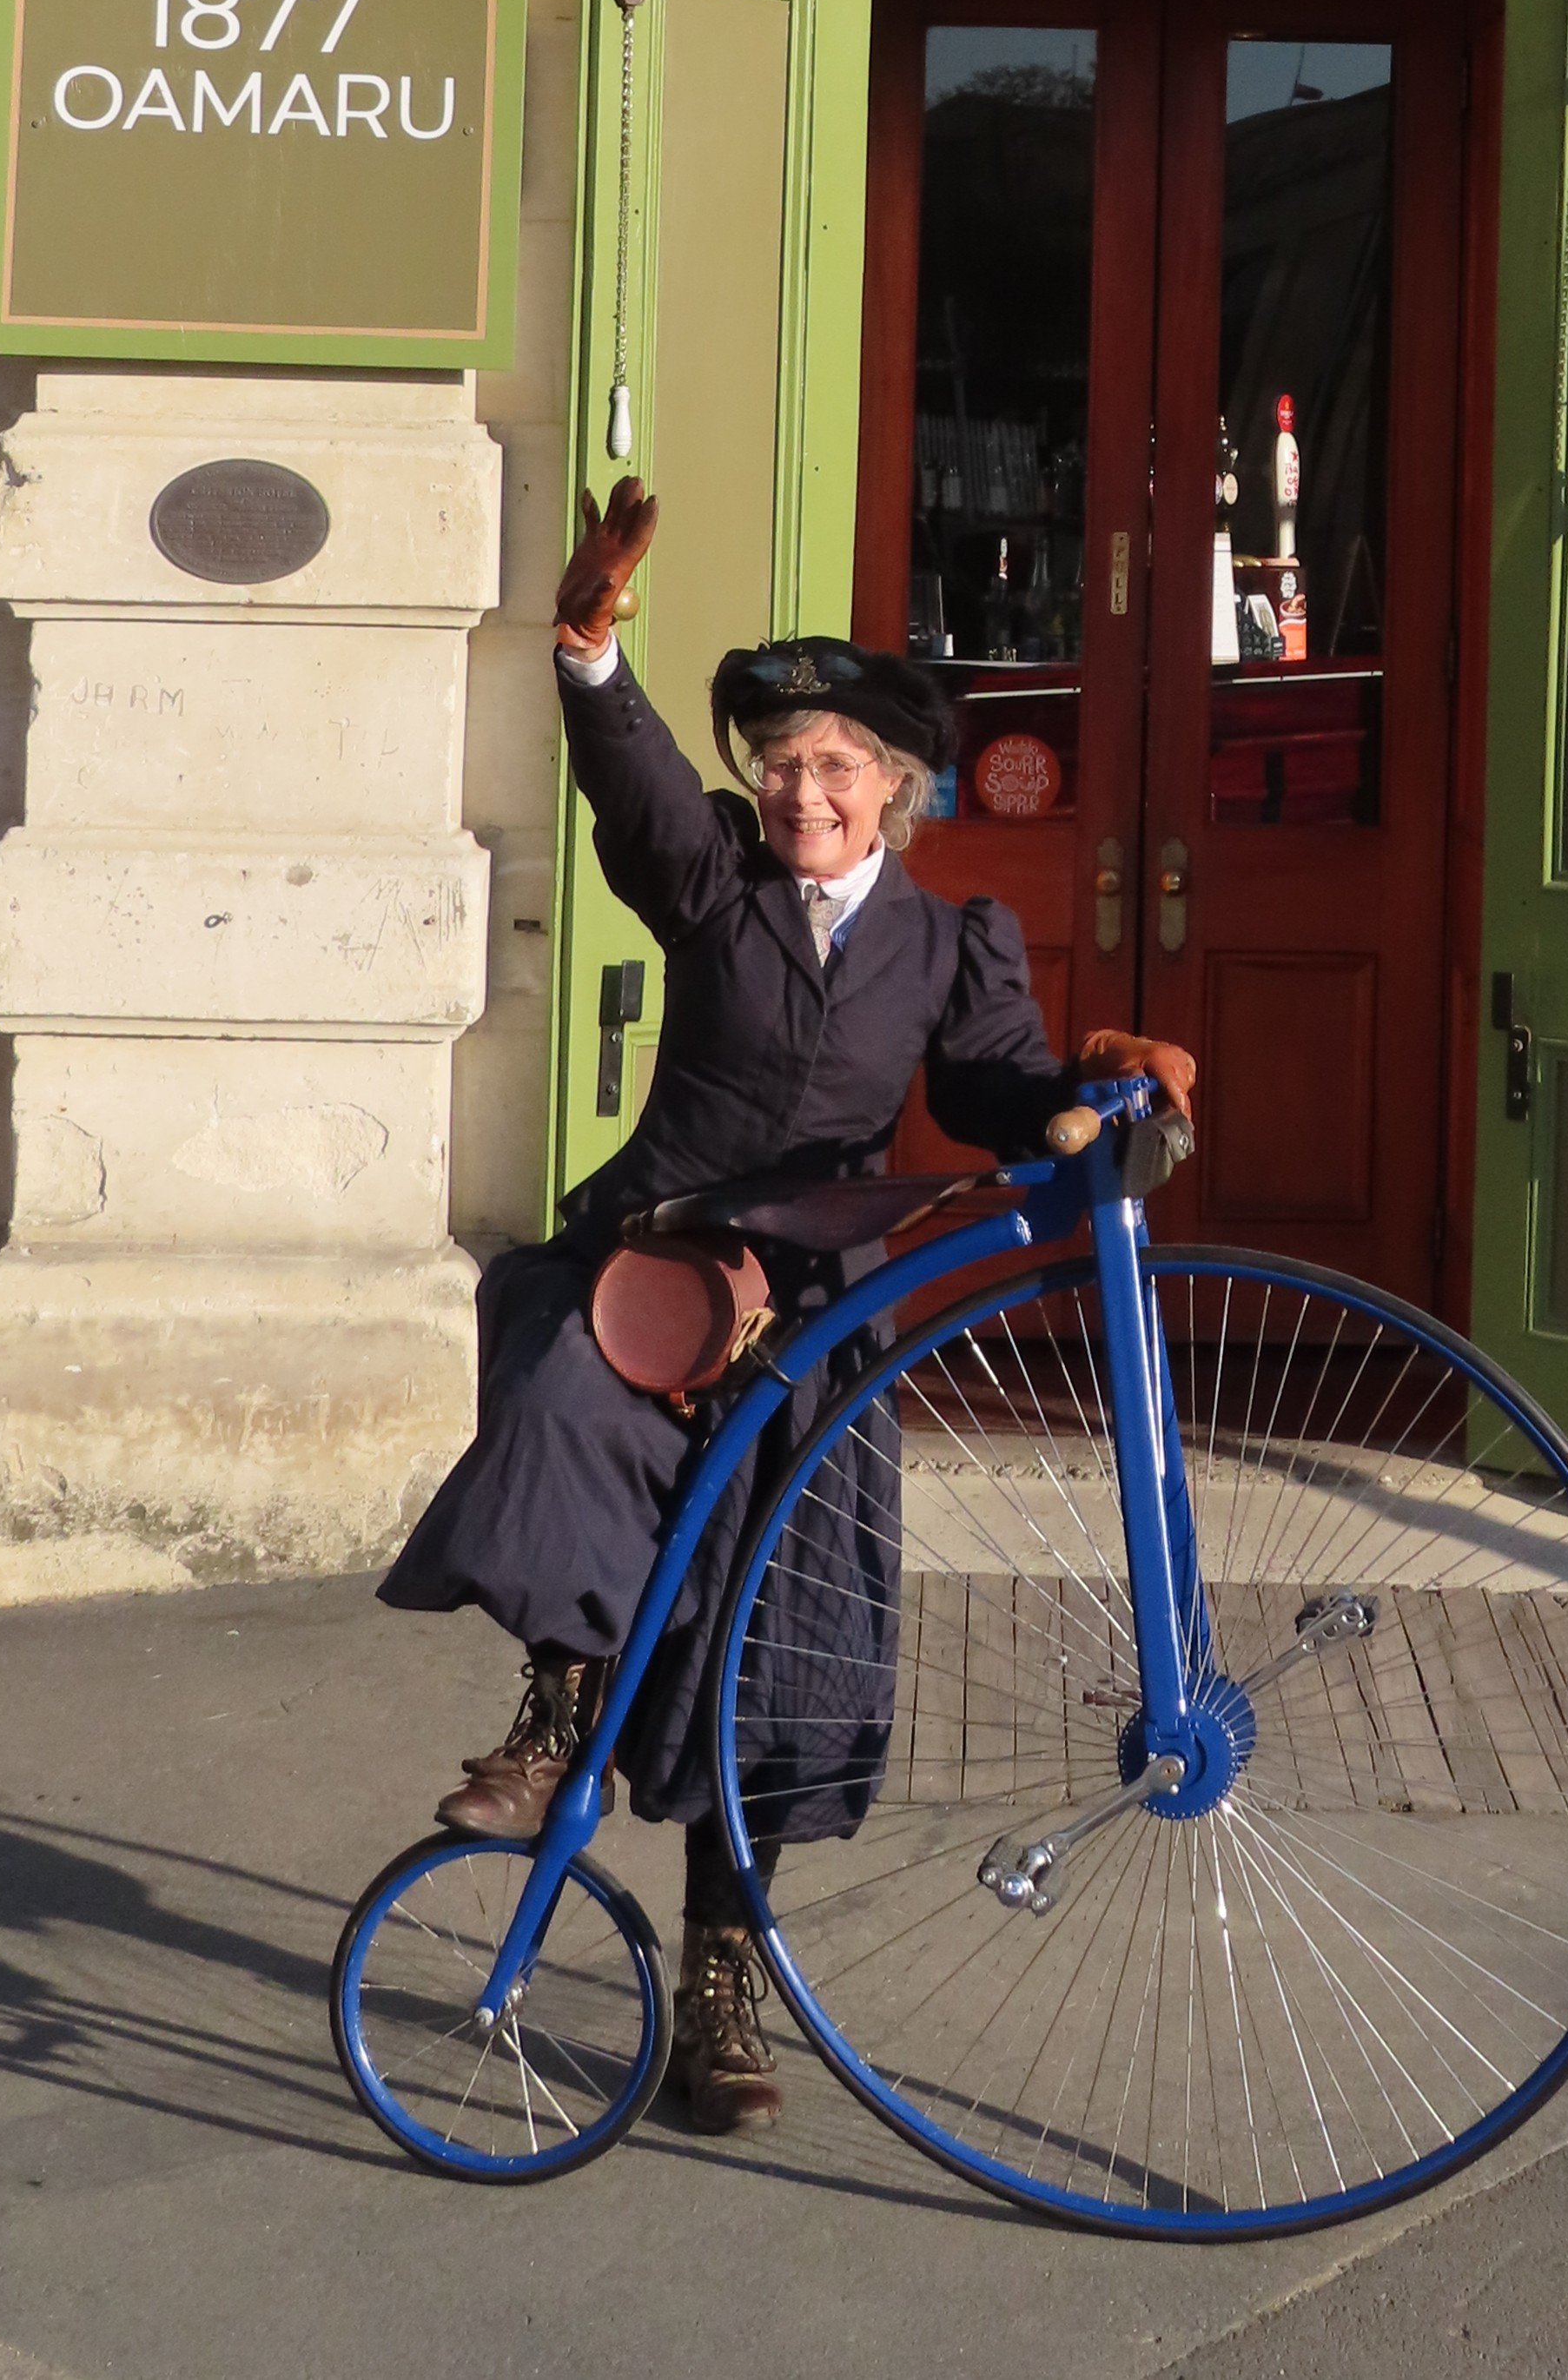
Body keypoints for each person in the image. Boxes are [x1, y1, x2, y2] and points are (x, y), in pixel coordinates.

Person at [379, 479, 1197, 2135]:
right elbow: (635, 791)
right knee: (557, 1397)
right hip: (652, 1268)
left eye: (834, 769)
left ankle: (720, 2004)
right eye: (782, 766)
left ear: (893, 794)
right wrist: (591, 653)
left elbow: (988, 1088)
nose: (802, 791)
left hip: (816, 1316)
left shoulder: (949, 937)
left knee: (769, 1652)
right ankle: (554, 1717)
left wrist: (1090, 1080)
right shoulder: (715, 891)